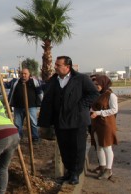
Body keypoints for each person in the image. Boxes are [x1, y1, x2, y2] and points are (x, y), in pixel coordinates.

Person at [38, 56, 99, 185]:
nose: (55, 67)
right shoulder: (53, 81)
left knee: (77, 148)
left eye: (58, 65)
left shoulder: (81, 79)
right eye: (55, 64)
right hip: (60, 121)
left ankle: (76, 173)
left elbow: (94, 94)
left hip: (77, 120)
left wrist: (81, 106)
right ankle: (69, 172)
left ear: (67, 67)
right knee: (64, 148)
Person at [89, 74, 118, 180]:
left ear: (103, 83)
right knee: (99, 147)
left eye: (98, 84)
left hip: (106, 124)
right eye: (95, 84)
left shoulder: (111, 95)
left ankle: (108, 170)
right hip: (97, 124)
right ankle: (102, 167)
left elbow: (114, 110)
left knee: (106, 147)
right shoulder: (98, 94)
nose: (96, 85)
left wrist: (98, 112)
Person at [6, 68, 44, 142]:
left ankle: (35, 137)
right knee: (17, 123)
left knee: (33, 123)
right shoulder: (16, 82)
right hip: (18, 107)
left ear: (29, 74)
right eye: (22, 73)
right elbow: (10, 91)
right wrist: (9, 104)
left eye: (25, 74)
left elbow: (40, 93)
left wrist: (42, 102)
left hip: (31, 107)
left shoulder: (34, 82)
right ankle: (18, 137)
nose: (23, 75)